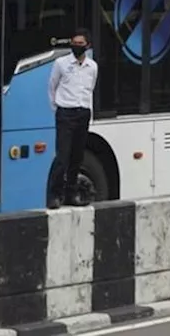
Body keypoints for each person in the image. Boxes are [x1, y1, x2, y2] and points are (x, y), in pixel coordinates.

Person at [47, 28, 98, 209]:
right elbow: (52, 87)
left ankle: (71, 194)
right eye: (74, 44)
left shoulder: (92, 67)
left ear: (87, 46)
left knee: (77, 157)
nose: (76, 47)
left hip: (83, 113)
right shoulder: (61, 63)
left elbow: (89, 89)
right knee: (62, 157)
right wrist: (57, 108)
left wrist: (87, 111)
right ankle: (54, 195)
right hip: (65, 113)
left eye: (80, 44)